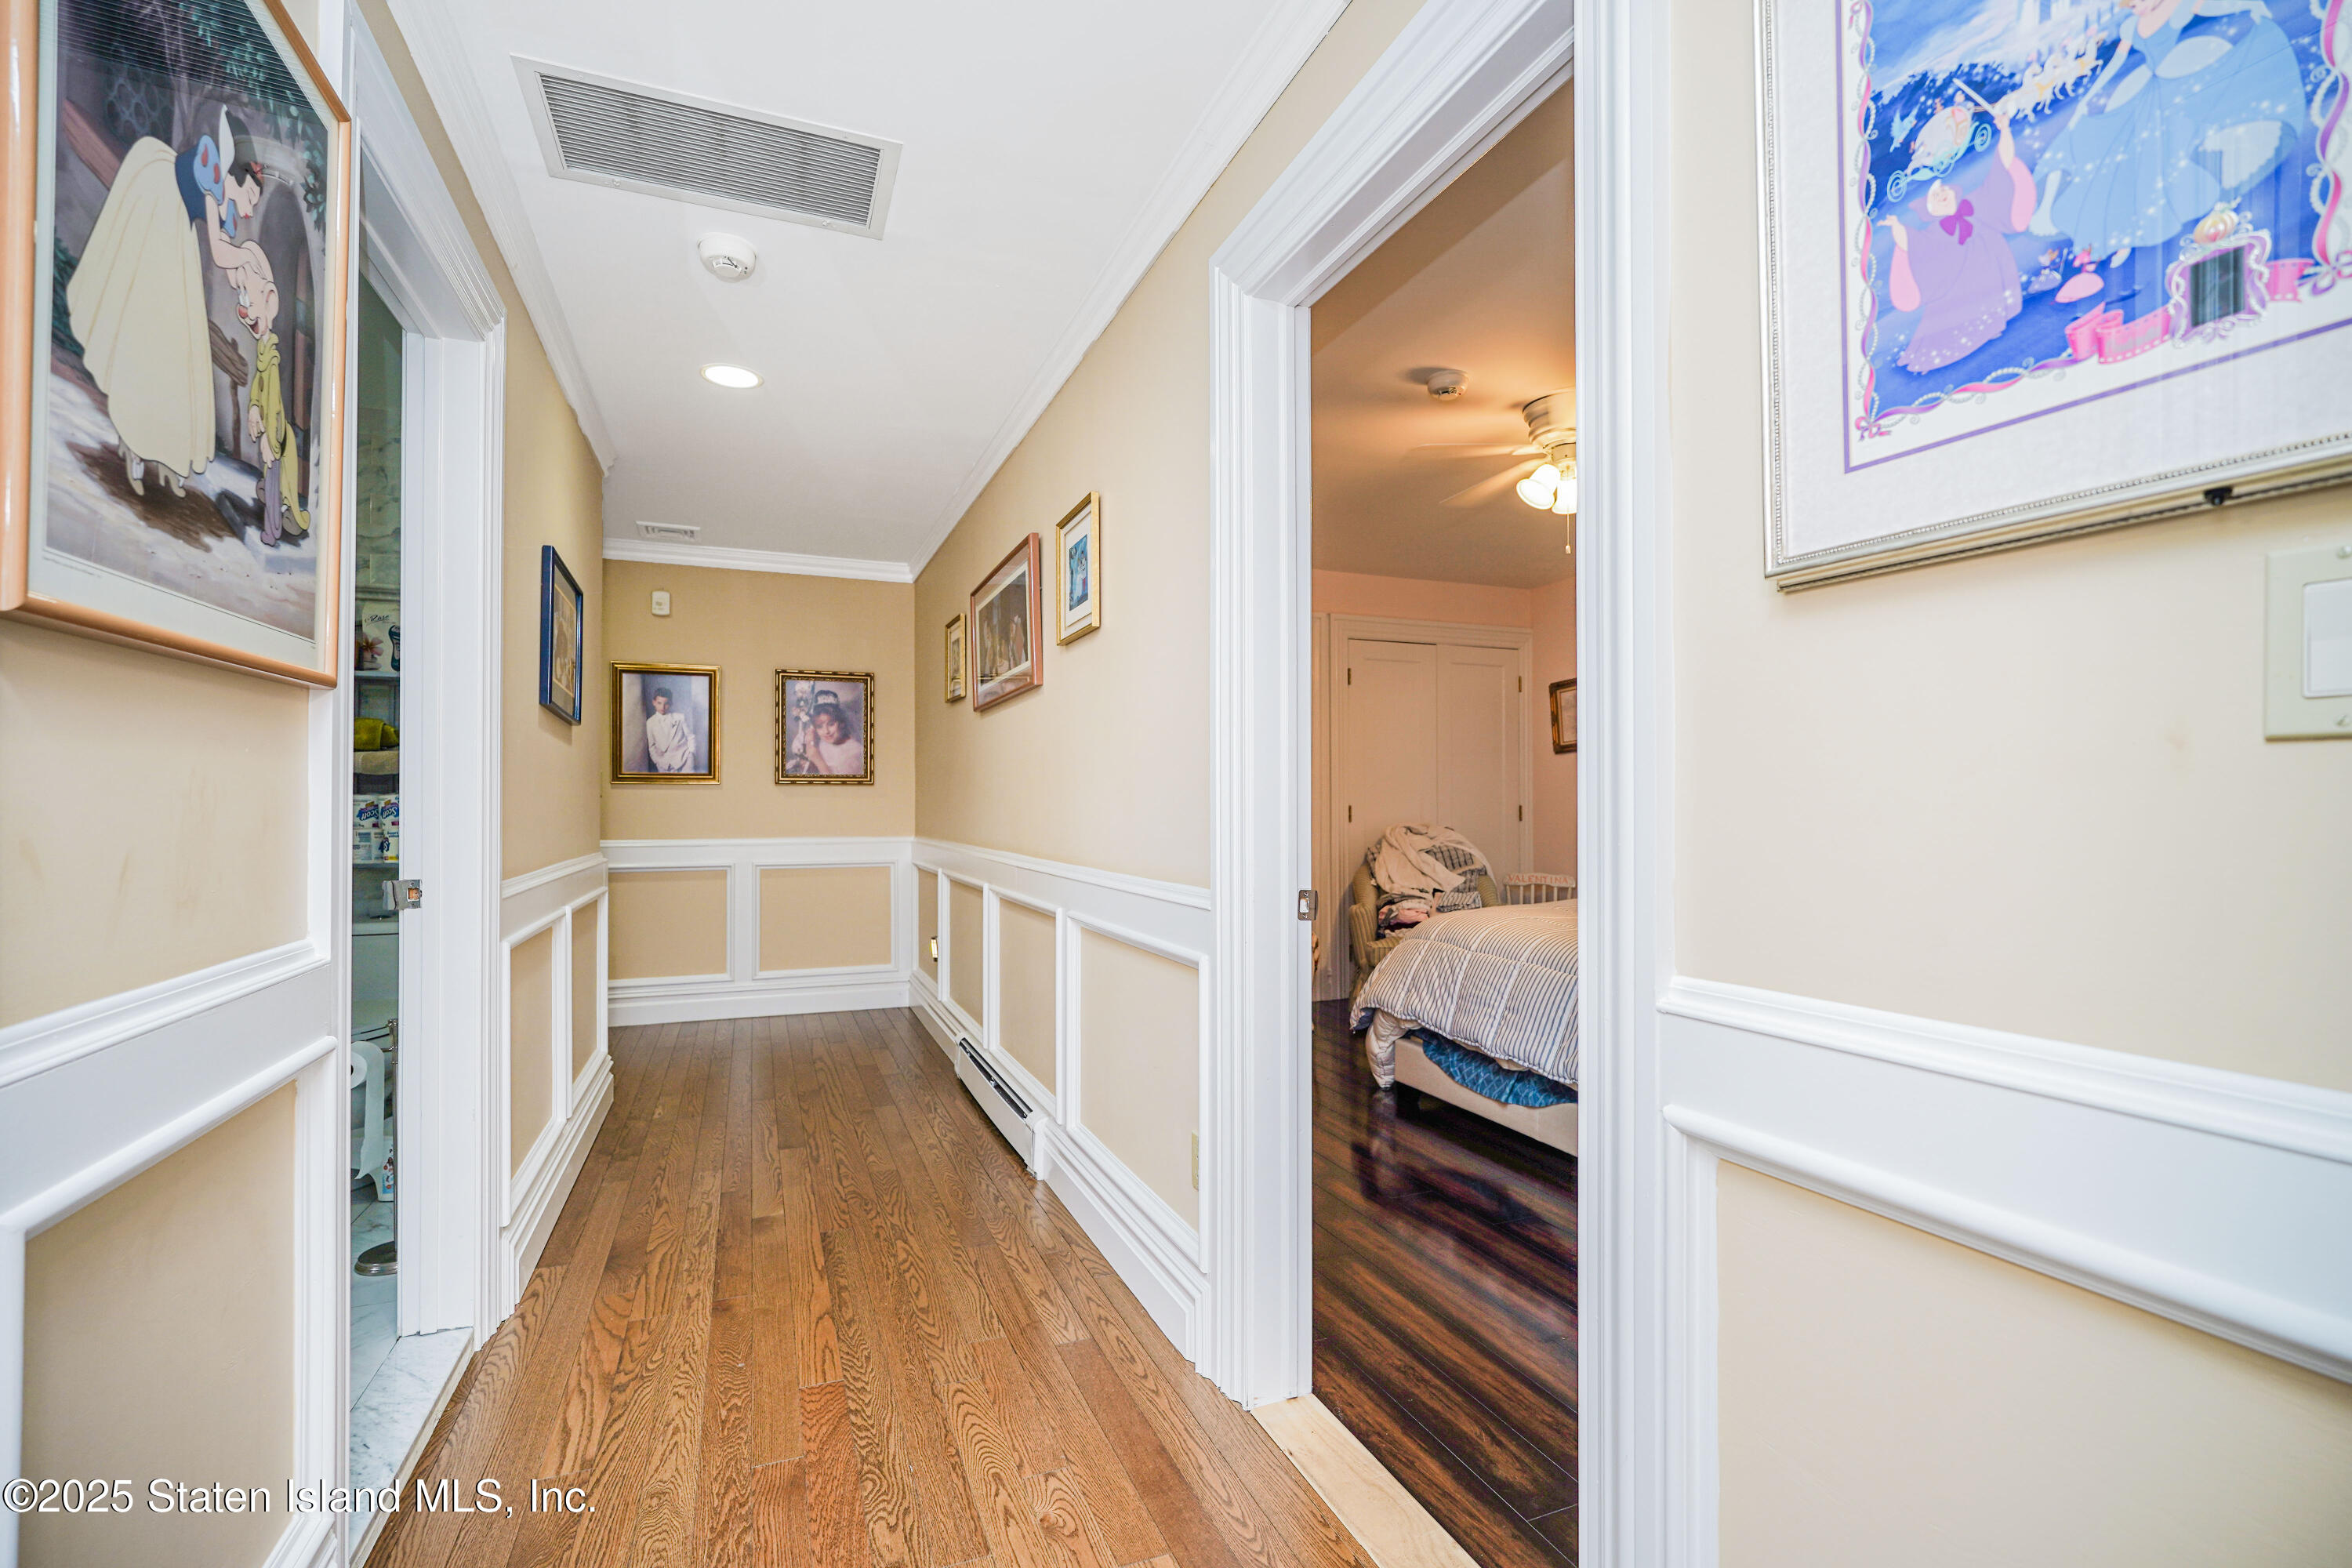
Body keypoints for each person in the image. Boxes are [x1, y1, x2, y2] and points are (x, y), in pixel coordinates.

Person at [66, 109, 270, 497]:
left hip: (173, 232)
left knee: (175, 357)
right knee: (152, 332)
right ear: (236, 180)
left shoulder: (224, 204)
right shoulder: (214, 184)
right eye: (249, 196)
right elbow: (223, 254)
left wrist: (251, 283)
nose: (248, 208)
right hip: (159, 212)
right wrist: (249, 258)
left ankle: (164, 460)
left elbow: (226, 260)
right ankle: (137, 450)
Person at [2029, 0, 2305, 266]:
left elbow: (2216, 7)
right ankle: (2114, 238)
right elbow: (2114, 65)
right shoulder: (2131, 27)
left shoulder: (2180, 5)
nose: (2137, 8)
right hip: (2147, 93)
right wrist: (2087, 100)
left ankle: (2129, 235)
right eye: (2132, 5)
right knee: (2110, 157)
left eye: (2138, 2)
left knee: (2163, 158)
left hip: (2178, 85)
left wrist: (2249, 7)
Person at [1882, 100, 2037, 372]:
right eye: (1936, 197)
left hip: (1990, 270)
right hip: (1957, 289)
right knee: (1954, 315)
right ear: (1932, 209)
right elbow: (1916, 245)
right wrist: (1898, 229)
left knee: (1991, 297)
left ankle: (1992, 326)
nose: (1942, 195)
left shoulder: (1975, 203)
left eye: (1944, 192)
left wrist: (2005, 132)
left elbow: (2002, 166)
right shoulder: (1933, 232)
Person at [231, 248, 308, 544]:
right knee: (271, 480)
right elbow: (258, 389)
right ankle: (275, 516)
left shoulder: (272, 356)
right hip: (268, 428)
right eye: (242, 301)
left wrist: (269, 440)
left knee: (276, 483)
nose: (245, 310)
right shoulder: (263, 351)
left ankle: (272, 531)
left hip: (275, 433)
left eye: (249, 301)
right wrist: (252, 408)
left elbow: (273, 398)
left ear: (269, 301)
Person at [804, 693, 866, 777]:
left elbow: (836, 787)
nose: (826, 731)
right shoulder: (821, 742)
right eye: (819, 727)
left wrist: (817, 759)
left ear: (841, 723)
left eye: (831, 724)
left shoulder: (856, 752)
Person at [644, 687, 696, 772]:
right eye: (659, 703)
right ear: (654, 702)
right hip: (664, 764)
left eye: (666, 704)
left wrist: (691, 755)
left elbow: (690, 737)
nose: (663, 707)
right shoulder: (650, 722)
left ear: (671, 703)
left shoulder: (680, 717)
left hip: (684, 760)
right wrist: (658, 762)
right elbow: (652, 746)